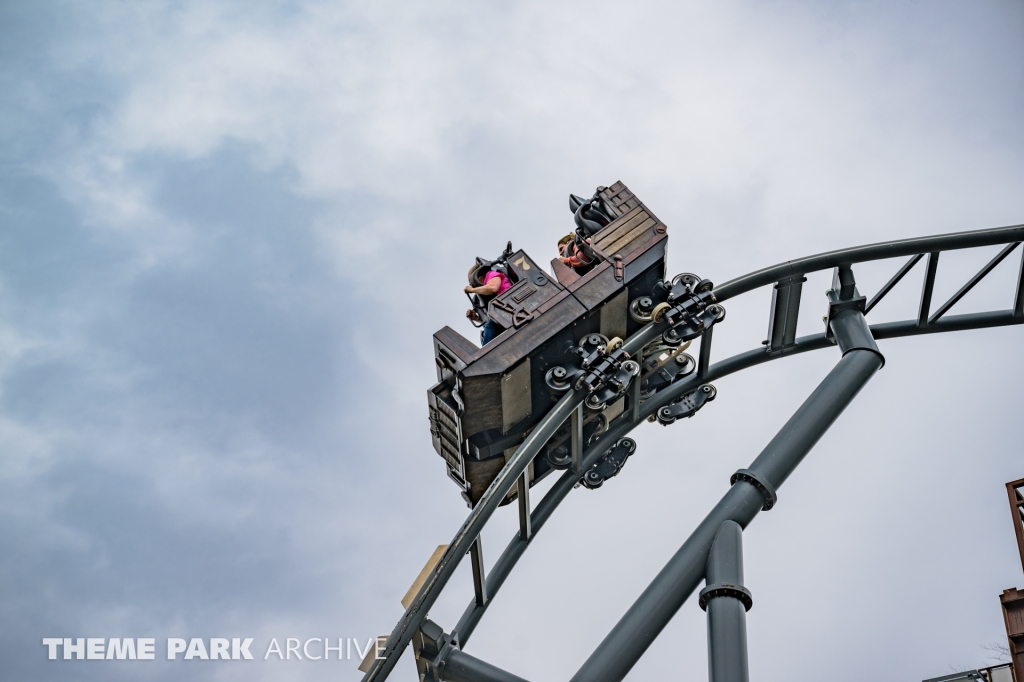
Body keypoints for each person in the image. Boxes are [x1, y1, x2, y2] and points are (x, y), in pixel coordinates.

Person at [465, 263, 512, 345]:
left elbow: (492, 288)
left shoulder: (491, 275)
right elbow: (490, 318)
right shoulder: (482, 299)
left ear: (479, 276)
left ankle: (484, 354)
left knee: (489, 328)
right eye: (471, 284)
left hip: (510, 303)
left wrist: (472, 290)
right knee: (485, 332)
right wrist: (477, 319)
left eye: (472, 281)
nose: (472, 285)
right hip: (501, 313)